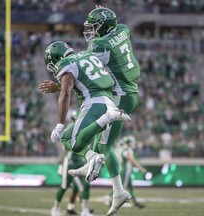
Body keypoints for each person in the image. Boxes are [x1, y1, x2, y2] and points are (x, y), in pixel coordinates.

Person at [69, 7, 142, 216]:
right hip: (130, 91)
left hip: (120, 95)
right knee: (97, 133)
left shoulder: (100, 45)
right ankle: (90, 162)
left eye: (94, 27)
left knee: (106, 145)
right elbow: (120, 29)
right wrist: (106, 17)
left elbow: (84, 66)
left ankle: (118, 191)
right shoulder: (123, 29)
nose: (91, 31)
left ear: (104, 27)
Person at [43, 41, 131, 185]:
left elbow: (66, 93)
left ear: (57, 57)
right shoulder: (87, 55)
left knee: (76, 144)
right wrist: (59, 85)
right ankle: (92, 157)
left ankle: (109, 117)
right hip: (108, 100)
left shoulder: (66, 63)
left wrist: (59, 124)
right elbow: (97, 79)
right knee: (66, 137)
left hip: (94, 104)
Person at [49, 112, 94, 216]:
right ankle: (55, 208)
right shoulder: (71, 127)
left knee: (85, 185)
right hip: (71, 161)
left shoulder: (86, 127)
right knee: (65, 186)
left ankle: (85, 210)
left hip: (81, 161)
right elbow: (65, 146)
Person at [105, 135, 147, 209]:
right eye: (132, 142)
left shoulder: (122, 149)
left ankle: (136, 203)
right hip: (125, 171)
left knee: (130, 188)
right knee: (121, 188)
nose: (133, 143)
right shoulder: (127, 150)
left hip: (125, 170)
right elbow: (132, 160)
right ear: (129, 142)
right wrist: (141, 169)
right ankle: (111, 200)